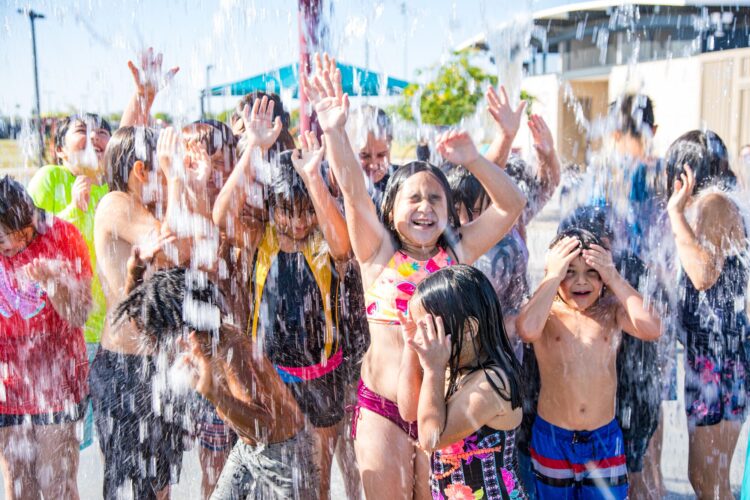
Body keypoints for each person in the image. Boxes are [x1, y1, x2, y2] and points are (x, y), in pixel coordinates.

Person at [301, 53, 526, 498]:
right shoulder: (377, 251)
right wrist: (335, 130)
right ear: (391, 210)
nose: (425, 207)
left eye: (435, 199)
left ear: (448, 212)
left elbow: (511, 205)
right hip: (382, 408)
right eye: (413, 199)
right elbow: (351, 187)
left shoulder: (457, 250)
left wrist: (476, 159)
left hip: (440, 410)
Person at [214, 96, 354, 498]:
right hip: (269, 378)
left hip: (321, 378)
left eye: (306, 212)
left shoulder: (323, 242)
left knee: (316, 480)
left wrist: (313, 179)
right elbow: (222, 218)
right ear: (270, 209)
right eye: (285, 212)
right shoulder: (263, 237)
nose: (296, 222)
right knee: (265, 475)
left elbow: (344, 248)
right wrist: (253, 150)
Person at [113, 266, 318, 499]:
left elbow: (264, 427)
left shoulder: (231, 350)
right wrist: (135, 273)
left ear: (182, 329)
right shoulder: (203, 341)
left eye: (160, 336)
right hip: (248, 449)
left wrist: (214, 393)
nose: (157, 345)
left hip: (283, 457)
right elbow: (140, 322)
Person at [91, 125, 197, 499]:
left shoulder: (139, 206)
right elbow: (178, 248)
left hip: (154, 366)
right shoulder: (116, 203)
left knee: (158, 484)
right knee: (130, 488)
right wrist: (176, 178)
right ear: (141, 170)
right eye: (161, 169)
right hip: (126, 370)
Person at [516, 228, 661, 499]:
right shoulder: (546, 311)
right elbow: (526, 330)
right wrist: (552, 276)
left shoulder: (611, 310)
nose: (580, 282)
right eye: (569, 271)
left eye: (591, 272)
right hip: (553, 438)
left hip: (603, 440)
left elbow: (653, 327)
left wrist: (614, 277)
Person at [665, 130, 748, 499]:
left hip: (722, 359)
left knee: (709, 483)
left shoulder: (714, 203)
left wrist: (674, 214)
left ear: (686, 172)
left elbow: (703, 274)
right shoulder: (712, 204)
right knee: (705, 480)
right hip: (711, 356)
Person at [0, 175, 92, 499]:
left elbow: (80, 314)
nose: (7, 247)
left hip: (58, 380)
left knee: (57, 487)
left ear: (28, 220)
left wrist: (55, 282)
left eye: (10, 237)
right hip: (8, 386)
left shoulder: (61, 235)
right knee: (18, 487)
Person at [403, 265, 527, 499]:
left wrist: (432, 369)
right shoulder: (451, 370)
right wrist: (411, 346)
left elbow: (431, 438)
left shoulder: (493, 383)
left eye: (429, 328)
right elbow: (409, 410)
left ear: (469, 329)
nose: (423, 336)